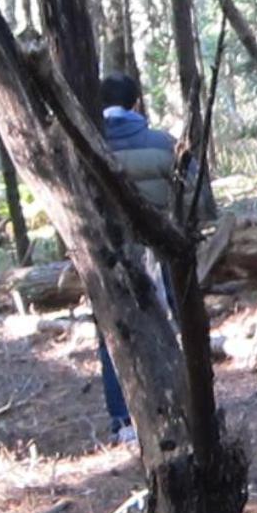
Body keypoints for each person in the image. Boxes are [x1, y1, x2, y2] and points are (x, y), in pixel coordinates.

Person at [97, 71, 206, 443]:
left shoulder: (87, 147)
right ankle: (193, 404)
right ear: (137, 104)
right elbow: (199, 198)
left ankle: (123, 419)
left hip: (110, 257)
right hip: (164, 254)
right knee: (184, 321)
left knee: (112, 332)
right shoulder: (164, 145)